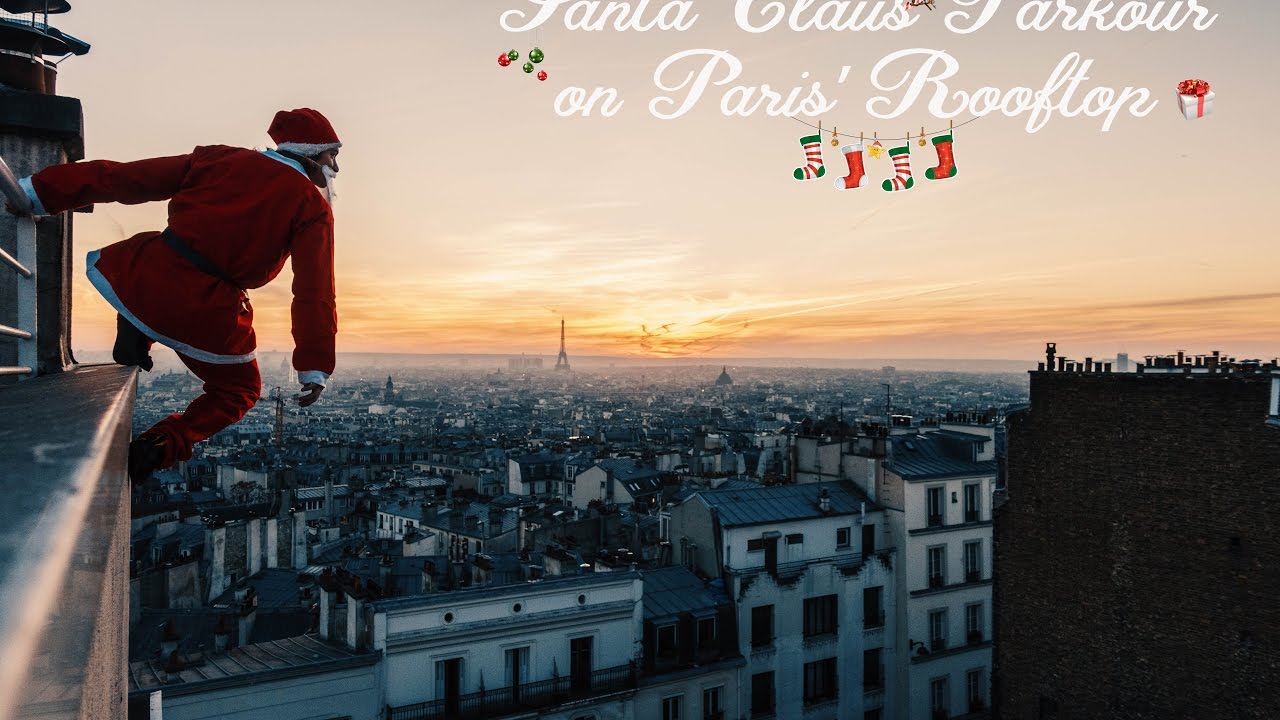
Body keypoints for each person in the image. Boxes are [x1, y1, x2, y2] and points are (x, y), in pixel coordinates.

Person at [7, 108, 341, 483]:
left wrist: (40, 191)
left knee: (152, 295)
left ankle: (136, 329)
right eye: (333, 155)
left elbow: (127, 178)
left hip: (148, 273)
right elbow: (314, 291)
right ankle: (164, 442)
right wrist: (314, 365)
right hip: (208, 307)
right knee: (239, 391)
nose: (336, 168)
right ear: (311, 152)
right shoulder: (313, 207)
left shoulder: (219, 158)